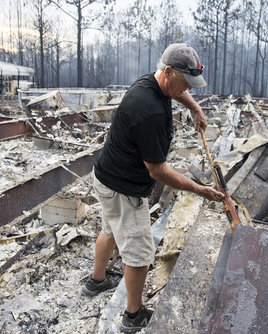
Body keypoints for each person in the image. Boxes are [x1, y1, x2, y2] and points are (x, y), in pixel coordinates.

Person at [82, 43, 225, 333]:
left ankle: (96, 282)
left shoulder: (154, 80)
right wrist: (199, 189)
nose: (187, 89)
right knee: (139, 253)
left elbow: (179, 92)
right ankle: (132, 317)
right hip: (124, 188)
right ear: (169, 72)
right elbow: (157, 170)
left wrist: (196, 109)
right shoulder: (150, 112)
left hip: (106, 176)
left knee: (110, 229)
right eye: (185, 83)